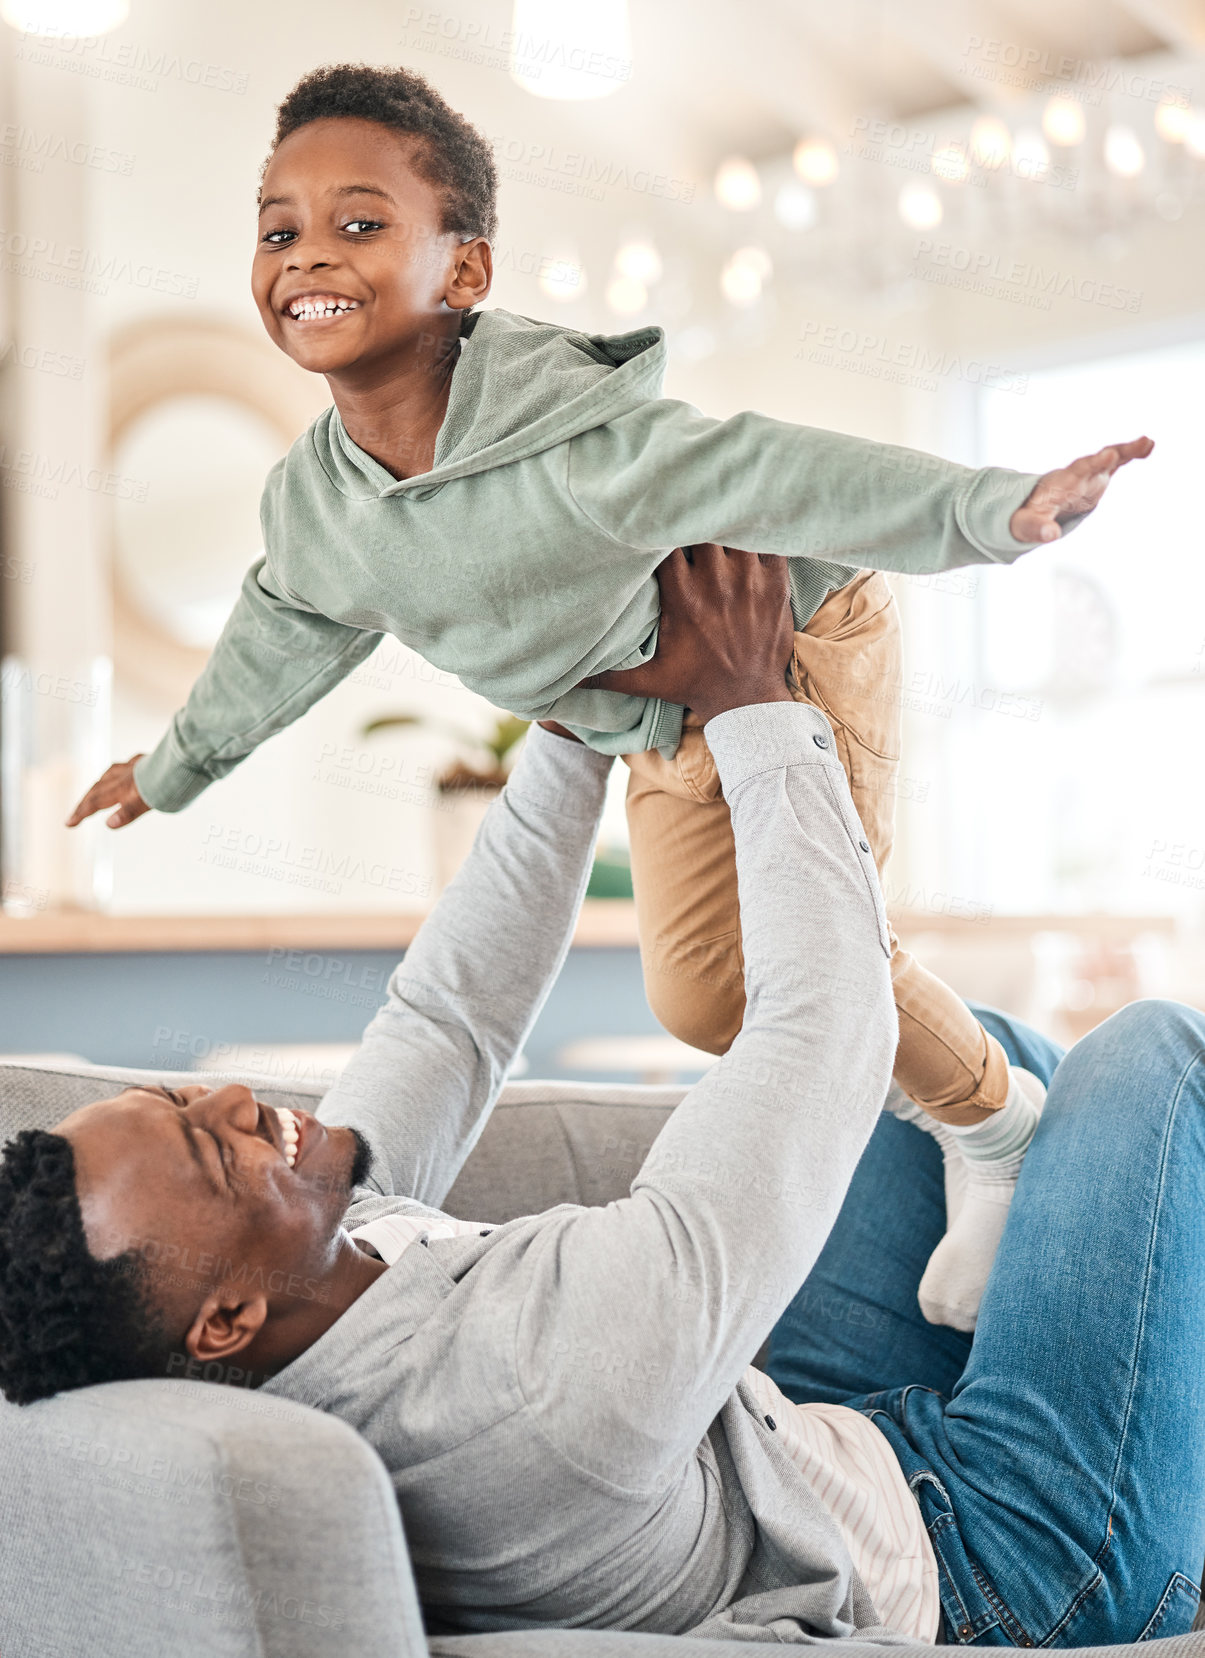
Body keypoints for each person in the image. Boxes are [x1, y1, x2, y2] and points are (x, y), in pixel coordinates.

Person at [65, 63, 1154, 1327]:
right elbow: (277, 636)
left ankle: (1002, 1132)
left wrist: (992, 507)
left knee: (810, 963)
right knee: (698, 998)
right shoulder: (318, 510)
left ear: (463, 272)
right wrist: (173, 767)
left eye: (360, 223)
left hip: (787, 640)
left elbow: (781, 470)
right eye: (279, 227)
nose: (310, 252)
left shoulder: (580, 442)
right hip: (657, 718)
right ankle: (979, 1111)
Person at [8, 546, 1204, 1646]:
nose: (230, 1103)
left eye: (179, 1097)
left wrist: (579, 708)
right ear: (220, 1325)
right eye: (212, 1156)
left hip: (792, 1436)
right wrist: (748, 700)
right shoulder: (532, 1396)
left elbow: (452, 1013)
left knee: (971, 1073)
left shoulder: (315, 1266)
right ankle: (1150, 1491)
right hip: (1001, 1550)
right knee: (1144, 1056)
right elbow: (822, 1027)